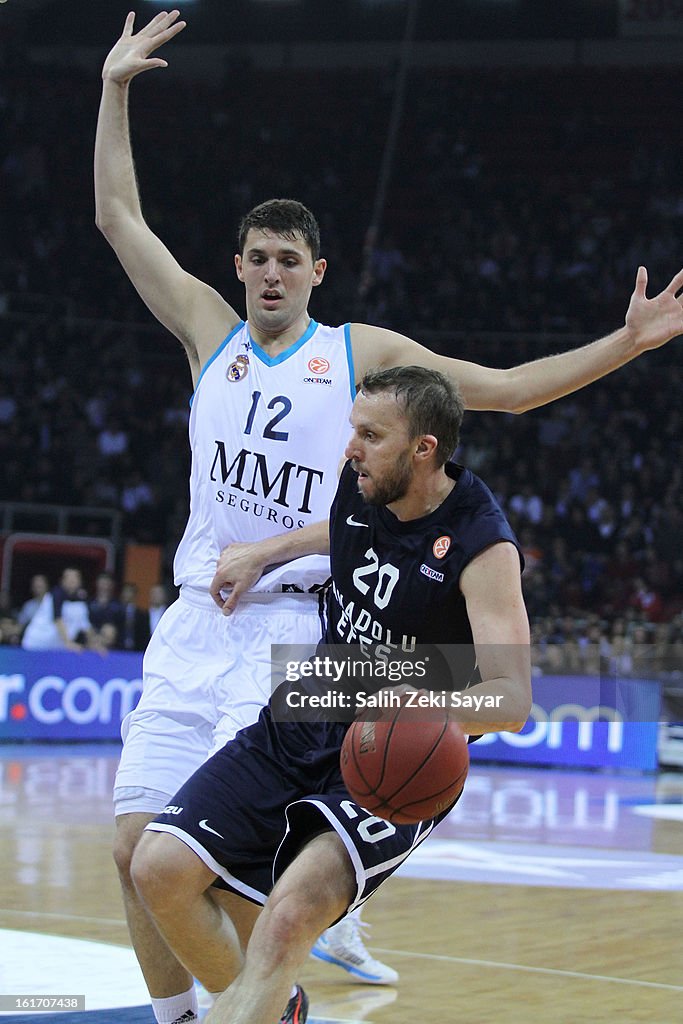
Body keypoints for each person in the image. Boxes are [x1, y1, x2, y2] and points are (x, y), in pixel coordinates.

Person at [94, 11, 683, 1024]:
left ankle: (278, 988)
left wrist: (621, 347)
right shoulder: (208, 334)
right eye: (257, 257)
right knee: (128, 852)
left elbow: (497, 389)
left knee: (234, 878)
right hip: (194, 618)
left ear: (316, 271)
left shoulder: (355, 352)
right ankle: (200, 1015)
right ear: (237, 268)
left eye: (289, 258)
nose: (271, 271)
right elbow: (117, 219)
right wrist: (111, 90)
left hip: (294, 635)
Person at [131, 366, 532, 1024]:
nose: (349, 448)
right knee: (158, 867)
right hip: (316, 695)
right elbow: (339, 528)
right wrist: (268, 549)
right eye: (352, 429)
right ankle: (279, 1008)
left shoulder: (481, 545)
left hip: (397, 748)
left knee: (286, 921)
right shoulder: (362, 480)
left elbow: (511, 700)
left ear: (423, 448)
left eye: (370, 435)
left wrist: (411, 700)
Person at [21, 567, 94, 652]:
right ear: (62, 580)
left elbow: (85, 624)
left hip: (56, 648)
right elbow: (58, 620)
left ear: (80, 581)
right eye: (68, 577)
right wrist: (68, 642)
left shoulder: (81, 600)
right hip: (36, 643)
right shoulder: (56, 594)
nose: (72, 580)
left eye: (75, 577)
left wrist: (95, 643)